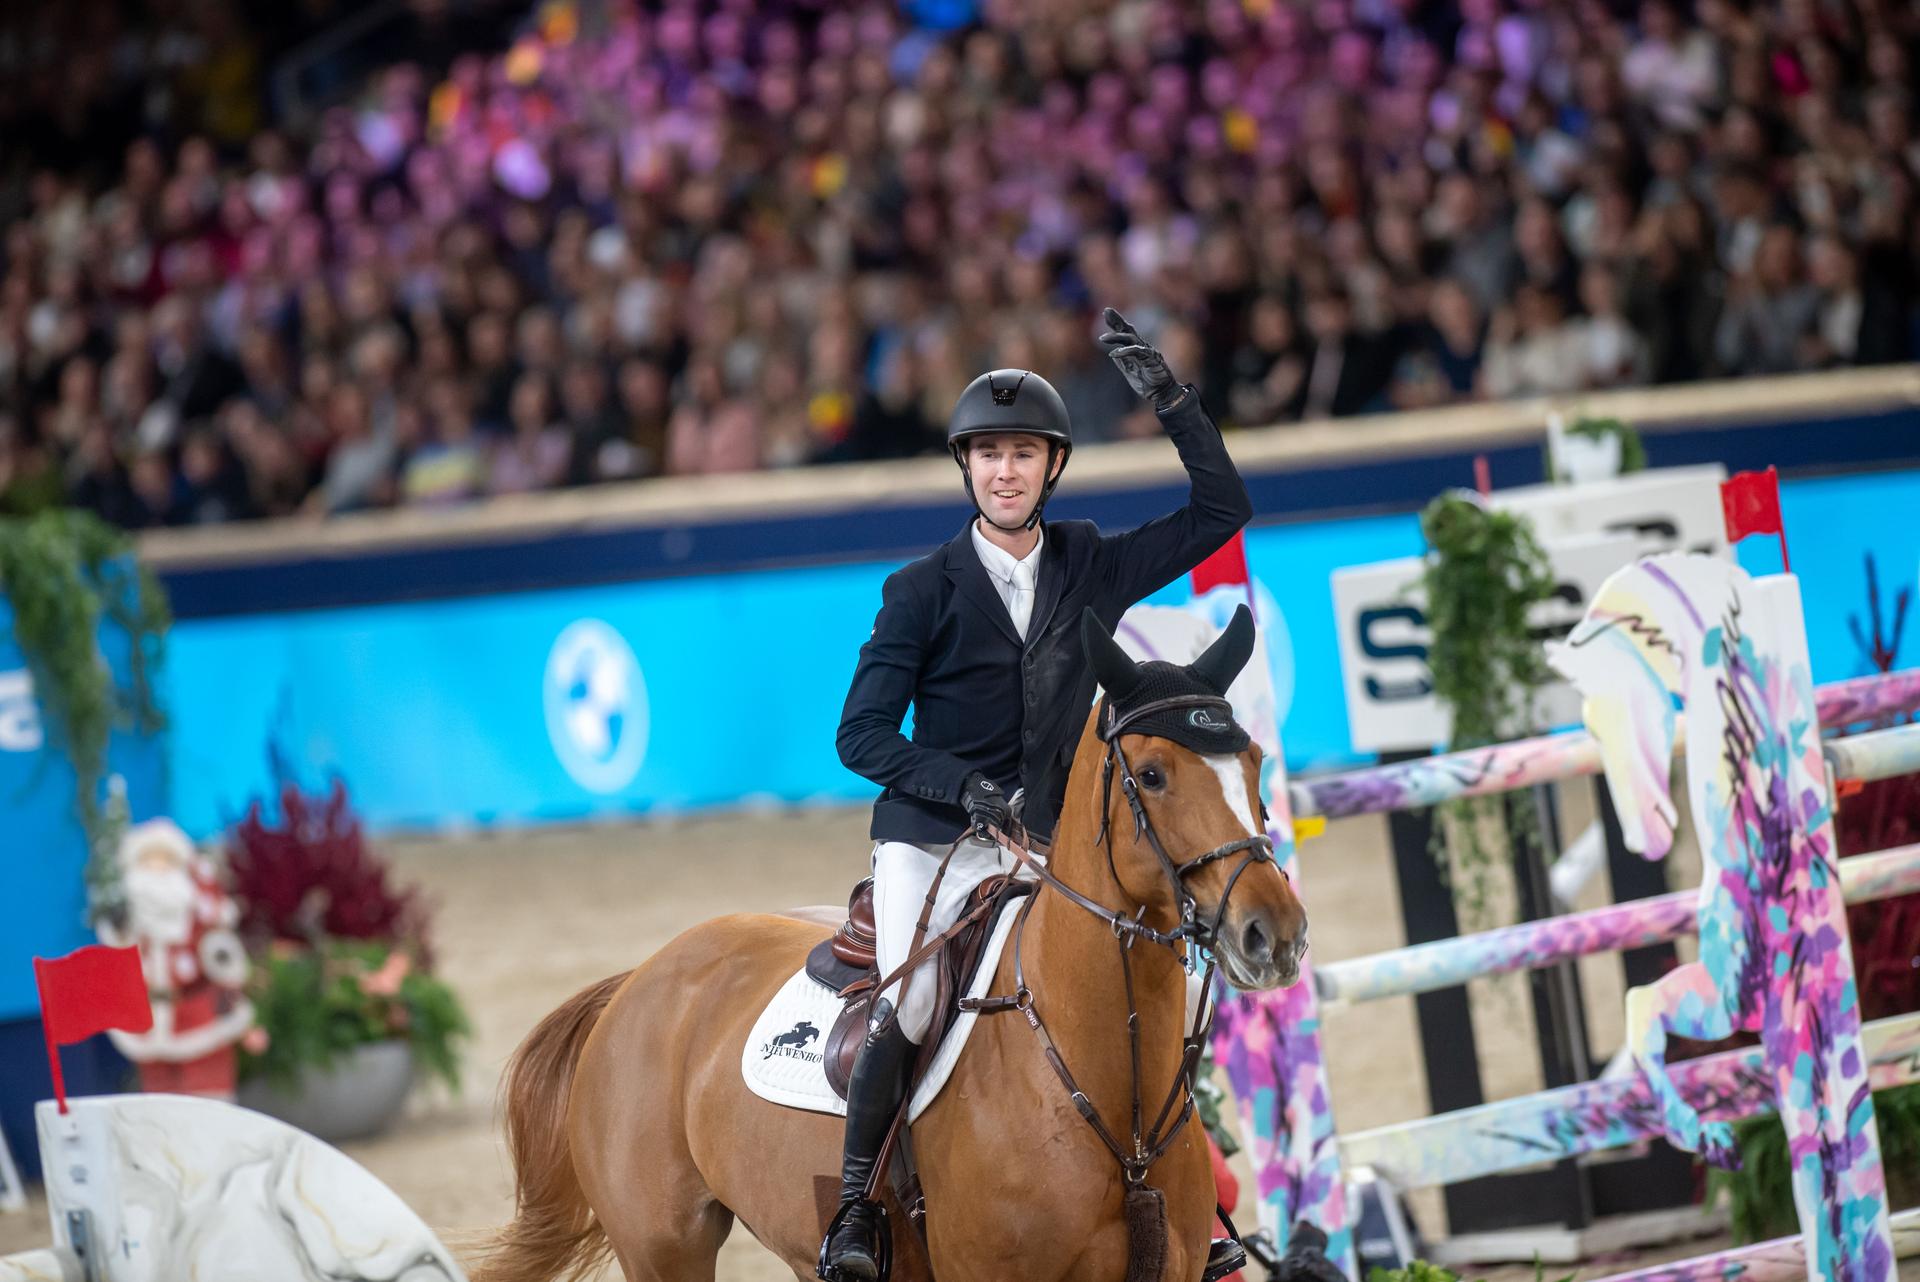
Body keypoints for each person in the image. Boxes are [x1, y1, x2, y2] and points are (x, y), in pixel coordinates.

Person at [821, 309, 1254, 1281]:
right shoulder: (919, 590)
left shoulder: (1090, 562)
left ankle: (1199, 1203)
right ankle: (855, 1211)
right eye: (988, 455)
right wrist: (962, 787)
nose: (1005, 472)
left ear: (1052, 466)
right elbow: (860, 735)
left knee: (1167, 988)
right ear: (967, 468)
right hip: (934, 840)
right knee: (915, 1000)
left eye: (1023, 454)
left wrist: (1173, 403)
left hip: (1056, 843)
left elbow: (1222, 509)